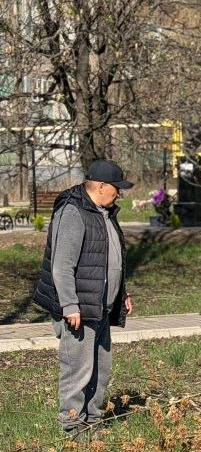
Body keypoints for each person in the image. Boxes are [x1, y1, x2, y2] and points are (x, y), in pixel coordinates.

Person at [31, 159, 135, 436]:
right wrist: (69, 305)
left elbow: (107, 258)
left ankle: (92, 420)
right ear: (100, 186)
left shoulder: (103, 212)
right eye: (116, 188)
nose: (119, 193)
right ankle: (72, 425)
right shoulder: (73, 212)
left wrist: (121, 291)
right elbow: (61, 267)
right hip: (78, 308)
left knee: (101, 367)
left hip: (101, 305)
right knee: (78, 369)